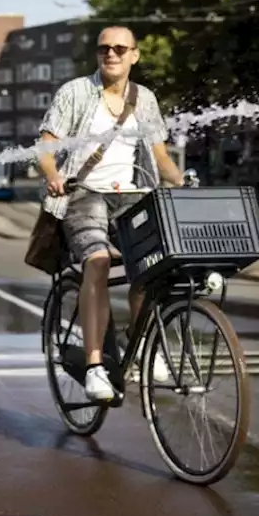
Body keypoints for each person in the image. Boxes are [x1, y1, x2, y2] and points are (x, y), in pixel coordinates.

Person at [36, 26, 185, 402]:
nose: (111, 54)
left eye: (120, 48)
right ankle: (95, 367)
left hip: (132, 194)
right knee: (98, 262)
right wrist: (53, 175)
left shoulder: (145, 99)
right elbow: (45, 147)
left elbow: (161, 157)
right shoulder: (74, 92)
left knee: (156, 263)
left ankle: (142, 352)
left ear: (135, 55)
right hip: (84, 194)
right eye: (104, 48)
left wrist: (181, 184)